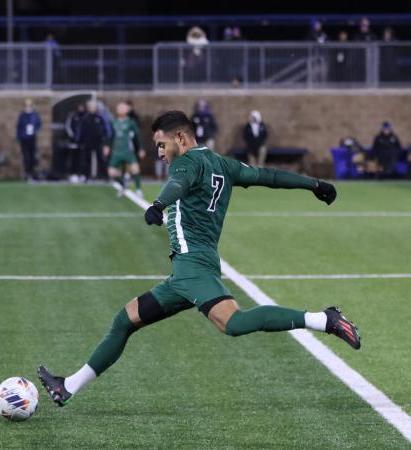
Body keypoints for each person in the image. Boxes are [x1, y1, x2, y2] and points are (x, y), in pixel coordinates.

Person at [37, 110, 358, 407]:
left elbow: (179, 183)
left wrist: (158, 205)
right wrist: (312, 184)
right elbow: (267, 175)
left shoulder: (186, 163)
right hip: (186, 273)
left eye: (161, 144)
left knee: (234, 323)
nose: (159, 152)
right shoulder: (223, 164)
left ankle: (323, 319)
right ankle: (67, 387)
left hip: (193, 267)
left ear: (181, 138)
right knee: (124, 321)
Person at [107, 102, 144, 197]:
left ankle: (138, 190)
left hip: (128, 151)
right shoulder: (113, 121)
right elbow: (110, 136)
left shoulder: (131, 122)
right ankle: (123, 185)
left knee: (135, 168)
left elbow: (138, 136)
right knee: (111, 172)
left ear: (127, 110)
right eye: (119, 107)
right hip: (116, 151)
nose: (121, 109)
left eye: (123, 107)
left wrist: (141, 149)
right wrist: (107, 146)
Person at [74, 100, 109, 182]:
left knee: (101, 159)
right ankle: (86, 176)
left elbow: (105, 130)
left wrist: (105, 141)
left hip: (98, 142)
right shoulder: (84, 118)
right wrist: (79, 141)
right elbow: (80, 131)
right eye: (90, 106)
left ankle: (105, 176)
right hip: (87, 142)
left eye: (93, 106)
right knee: (86, 160)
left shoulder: (100, 118)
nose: (91, 108)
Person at [16, 98, 41, 181]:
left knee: (33, 156)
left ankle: (32, 172)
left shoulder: (35, 114)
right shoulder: (22, 115)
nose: (28, 107)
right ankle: (27, 173)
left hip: (32, 138)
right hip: (24, 138)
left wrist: (35, 131)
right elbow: (19, 127)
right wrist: (19, 137)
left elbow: (38, 124)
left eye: (29, 105)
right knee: (26, 156)